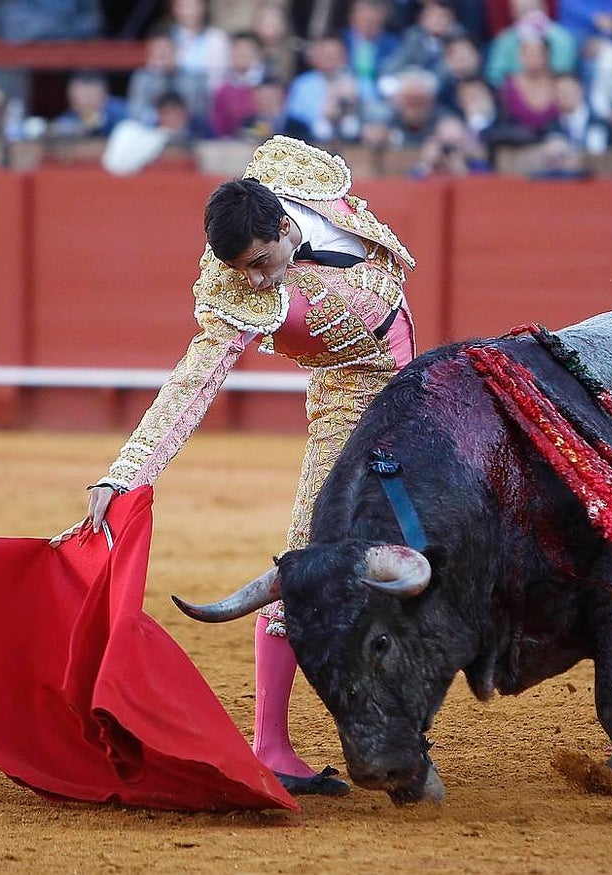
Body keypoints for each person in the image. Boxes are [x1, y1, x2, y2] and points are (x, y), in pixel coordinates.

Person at [76, 135, 417, 796]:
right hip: (349, 412)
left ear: (287, 225)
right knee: (305, 563)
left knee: (441, 540)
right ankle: (273, 743)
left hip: (417, 395)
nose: (256, 281)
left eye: (262, 262)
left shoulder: (295, 176)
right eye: (242, 270)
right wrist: (128, 472)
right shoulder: (240, 294)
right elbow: (192, 383)